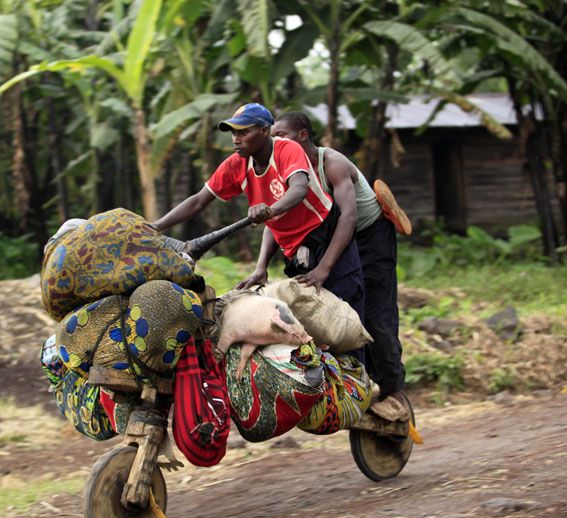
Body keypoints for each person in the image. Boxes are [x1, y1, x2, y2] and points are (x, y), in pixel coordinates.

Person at [151, 103, 366, 363]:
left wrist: (323, 267)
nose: (236, 139)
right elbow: (198, 200)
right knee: (313, 326)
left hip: (325, 235)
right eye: (233, 133)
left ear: (265, 131)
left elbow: (298, 189)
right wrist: (156, 226)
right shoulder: (235, 166)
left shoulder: (287, 149)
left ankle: (359, 391)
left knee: (345, 322)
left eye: (243, 132)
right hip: (295, 252)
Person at [268, 111, 409, 406]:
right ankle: (358, 386)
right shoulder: (284, 169)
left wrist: (324, 268)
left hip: (368, 237)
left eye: (281, 136)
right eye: (273, 137)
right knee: (339, 317)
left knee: (375, 316)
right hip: (331, 241)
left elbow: (349, 216)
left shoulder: (330, 162)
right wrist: (260, 267)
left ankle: (394, 393)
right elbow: (275, 217)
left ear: (303, 135)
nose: (276, 142)